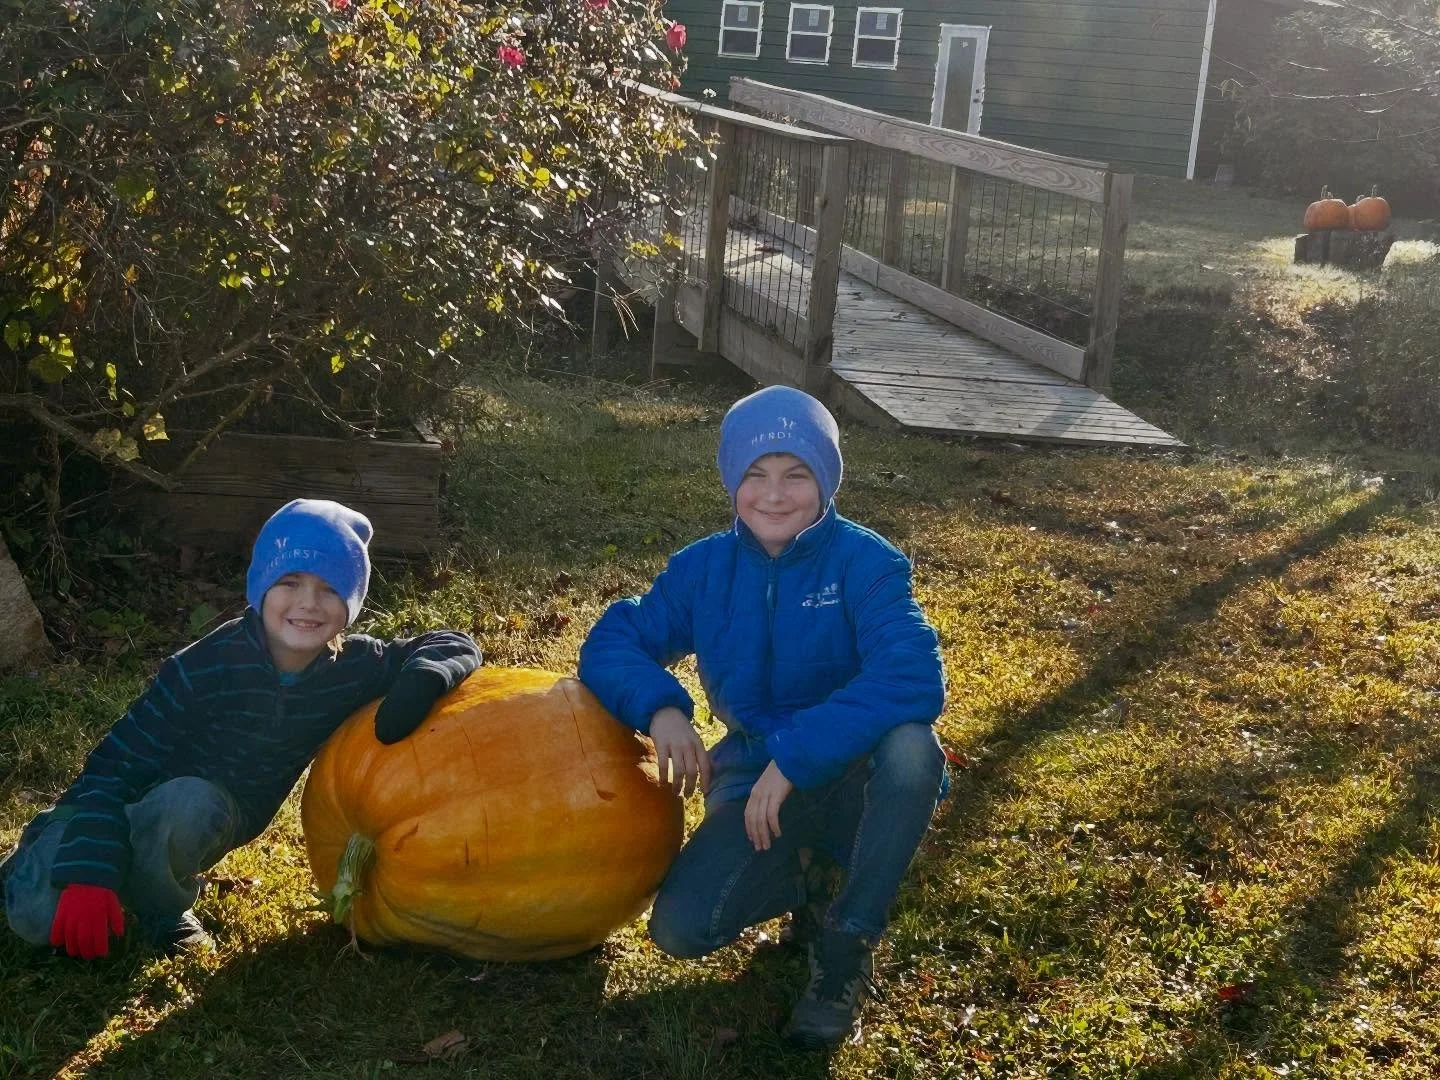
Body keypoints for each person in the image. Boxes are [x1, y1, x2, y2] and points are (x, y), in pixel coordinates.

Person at [578, 385, 946, 1049]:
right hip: (754, 776)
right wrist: (661, 707)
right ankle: (812, 878)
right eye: (756, 474)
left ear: (826, 481)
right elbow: (613, 641)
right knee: (681, 929)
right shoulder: (702, 570)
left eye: (796, 474)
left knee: (914, 750)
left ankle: (845, 946)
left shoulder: (867, 564)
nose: (774, 496)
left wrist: (798, 755)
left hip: (854, 771)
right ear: (731, 481)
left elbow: (911, 675)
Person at [1, 499, 481, 960]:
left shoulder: (352, 667)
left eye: (331, 588)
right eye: (290, 582)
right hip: (127, 803)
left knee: (196, 807)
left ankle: (158, 906)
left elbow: (449, 641)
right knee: (37, 917)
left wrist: (422, 682)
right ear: (261, 587)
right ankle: (41, 848)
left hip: (207, 816)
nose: (309, 604)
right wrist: (88, 873)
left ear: (351, 603)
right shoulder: (202, 668)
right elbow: (111, 769)